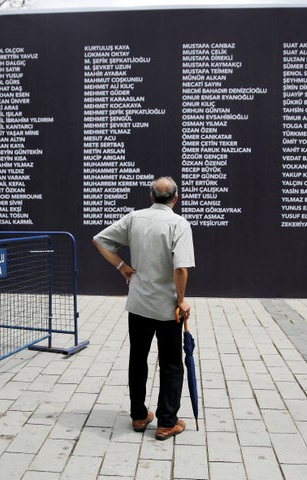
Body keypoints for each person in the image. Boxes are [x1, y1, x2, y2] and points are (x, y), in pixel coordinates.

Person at [92, 176, 195, 441]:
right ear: (175, 198)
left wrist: (122, 267)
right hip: (167, 307)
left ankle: (139, 415)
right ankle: (166, 422)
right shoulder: (179, 224)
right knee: (171, 364)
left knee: (138, 359)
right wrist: (181, 300)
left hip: (138, 304)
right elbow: (181, 268)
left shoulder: (134, 218)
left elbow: (99, 240)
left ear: (150, 197)